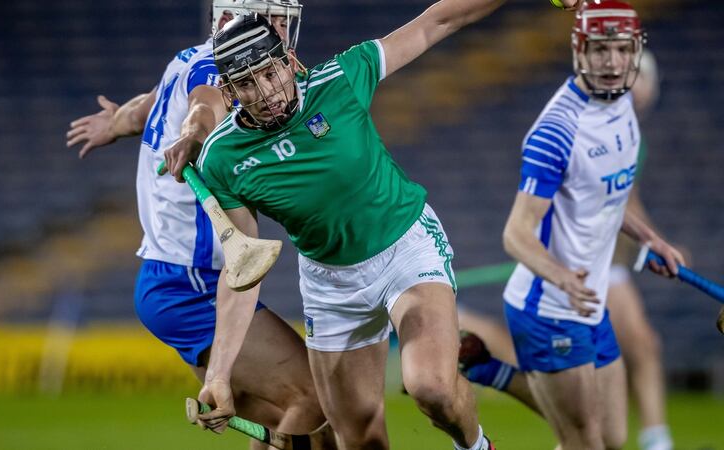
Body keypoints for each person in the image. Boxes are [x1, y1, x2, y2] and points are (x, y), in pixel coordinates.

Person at [191, 0, 560, 447]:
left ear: (289, 62)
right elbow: (243, 266)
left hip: (405, 248)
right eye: (247, 83)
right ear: (229, 90)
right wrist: (219, 375)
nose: (266, 91)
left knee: (433, 388)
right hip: (331, 285)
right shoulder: (222, 159)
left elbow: (437, 22)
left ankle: (477, 446)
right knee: (360, 437)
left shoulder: (340, 79)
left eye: (270, 73)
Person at [65, 3, 336, 449]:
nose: (283, 30)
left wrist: (114, 124)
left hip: (176, 279)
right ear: (230, 19)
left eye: (284, 20)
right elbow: (203, 108)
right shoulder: (217, 71)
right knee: (314, 398)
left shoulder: (186, 59)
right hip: (192, 283)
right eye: (272, 18)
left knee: (290, 420)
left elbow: (143, 109)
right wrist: (194, 133)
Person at [461, 49, 678, 450]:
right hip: (550, 306)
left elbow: (608, 201)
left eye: (623, 52)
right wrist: (563, 278)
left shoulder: (621, 117)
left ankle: (493, 373)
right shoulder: (558, 130)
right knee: (584, 438)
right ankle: (658, 439)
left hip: (590, 301)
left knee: (610, 436)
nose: (614, 63)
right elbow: (514, 234)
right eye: (603, 51)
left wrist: (649, 239)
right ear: (583, 53)